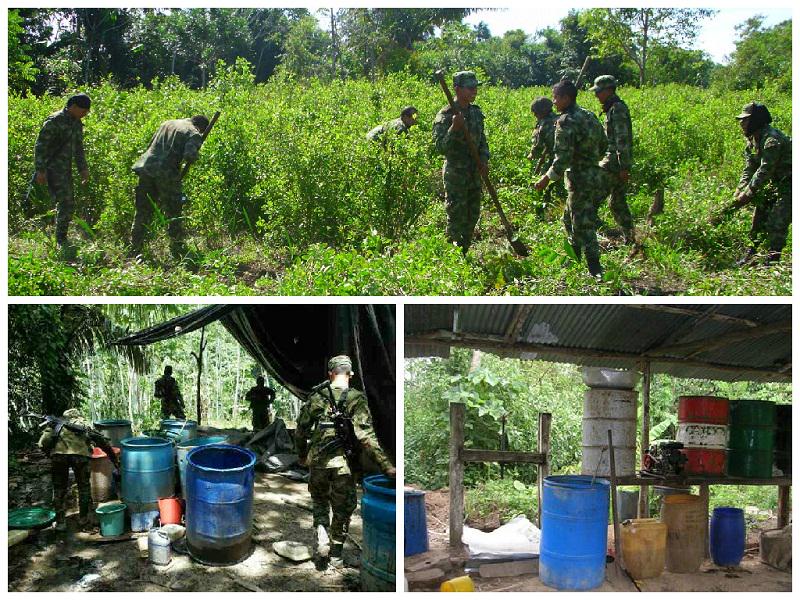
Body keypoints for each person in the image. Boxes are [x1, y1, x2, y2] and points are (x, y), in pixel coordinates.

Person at [295, 355, 396, 564]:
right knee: (343, 509)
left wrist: (303, 455)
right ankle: (336, 555)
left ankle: (322, 535)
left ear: (330, 374)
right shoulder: (356, 398)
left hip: (318, 463)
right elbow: (366, 437)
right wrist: (386, 466)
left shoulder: (317, 397)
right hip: (344, 466)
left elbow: (300, 431)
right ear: (350, 374)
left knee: (319, 502)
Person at [534, 80, 609, 278]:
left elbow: (562, 158)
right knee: (568, 218)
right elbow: (604, 143)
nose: (553, 101)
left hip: (579, 178)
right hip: (594, 174)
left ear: (566, 98)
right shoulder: (589, 115)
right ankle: (574, 257)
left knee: (583, 222)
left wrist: (546, 178)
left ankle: (594, 267)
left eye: (556, 97)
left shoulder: (565, 121)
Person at [130, 115, 209, 259]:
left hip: (146, 167)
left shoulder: (167, 123)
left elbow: (150, 145)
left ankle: (135, 247)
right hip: (166, 173)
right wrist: (196, 152)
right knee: (174, 210)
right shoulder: (194, 133)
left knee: (143, 209)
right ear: (201, 128)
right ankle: (176, 247)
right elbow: (190, 156)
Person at [433, 71, 490, 254]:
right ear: (457, 89)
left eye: (475, 87)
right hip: (456, 174)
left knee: (473, 214)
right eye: (470, 87)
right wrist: (454, 128)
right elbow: (441, 148)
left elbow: (482, 141)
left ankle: (464, 251)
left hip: (474, 173)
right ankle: (452, 256)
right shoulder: (446, 115)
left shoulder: (476, 113)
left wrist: (484, 160)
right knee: (456, 215)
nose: (474, 91)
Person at [32, 93, 91, 259]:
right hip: (48, 170)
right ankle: (42, 236)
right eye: (83, 110)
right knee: (46, 203)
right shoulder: (55, 121)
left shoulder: (76, 124)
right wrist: (40, 170)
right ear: (73, 106)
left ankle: (60, 238)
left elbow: (78, 149)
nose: (85, 114)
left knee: (67, 203)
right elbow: (40, 146)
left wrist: (83, 169)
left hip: (64, 171)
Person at [38, 409, 118, 531]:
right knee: (84, 488)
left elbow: (43, 443)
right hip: (81, 457)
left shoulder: (56, 423)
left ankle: (61, 523)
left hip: (59, 457)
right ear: (78, 416)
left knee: (59, 489)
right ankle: (84, 519)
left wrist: (50, 453)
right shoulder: (84, 424)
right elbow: (101, 441)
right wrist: (113, 458)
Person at [733, 102, 792, 265]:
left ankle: (773, 261)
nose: (742, 123)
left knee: (777, 220)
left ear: (756, 120)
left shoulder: (771, 140)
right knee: (758, 218)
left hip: (791, 184)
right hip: (775, 184)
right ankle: (750, 255)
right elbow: (749, 168)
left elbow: (765, 170)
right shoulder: (753, 140)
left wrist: (748, 193)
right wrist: (740, 189)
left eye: (745, 120)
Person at [591, 75, 635, 244]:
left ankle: (591, 237)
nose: (596, 95)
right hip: (615, 162)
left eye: (599, 91)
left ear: (609, 90)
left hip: (613, 163)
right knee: (617, 203)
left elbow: (622, 139)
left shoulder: (617, 109)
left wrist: (624, 166)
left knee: (590, 198)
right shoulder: (613, 108)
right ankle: (630, 238)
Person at [527, 96, 563, 218]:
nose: (535, 115)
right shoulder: (559, 118)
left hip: (555, 159)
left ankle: (540, 212)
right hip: (566, 157)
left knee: (541, 183)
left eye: (535, 113)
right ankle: (559, 203)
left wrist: (531, 155)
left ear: (541, 112)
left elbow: (538, 147)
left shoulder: (544, 124)